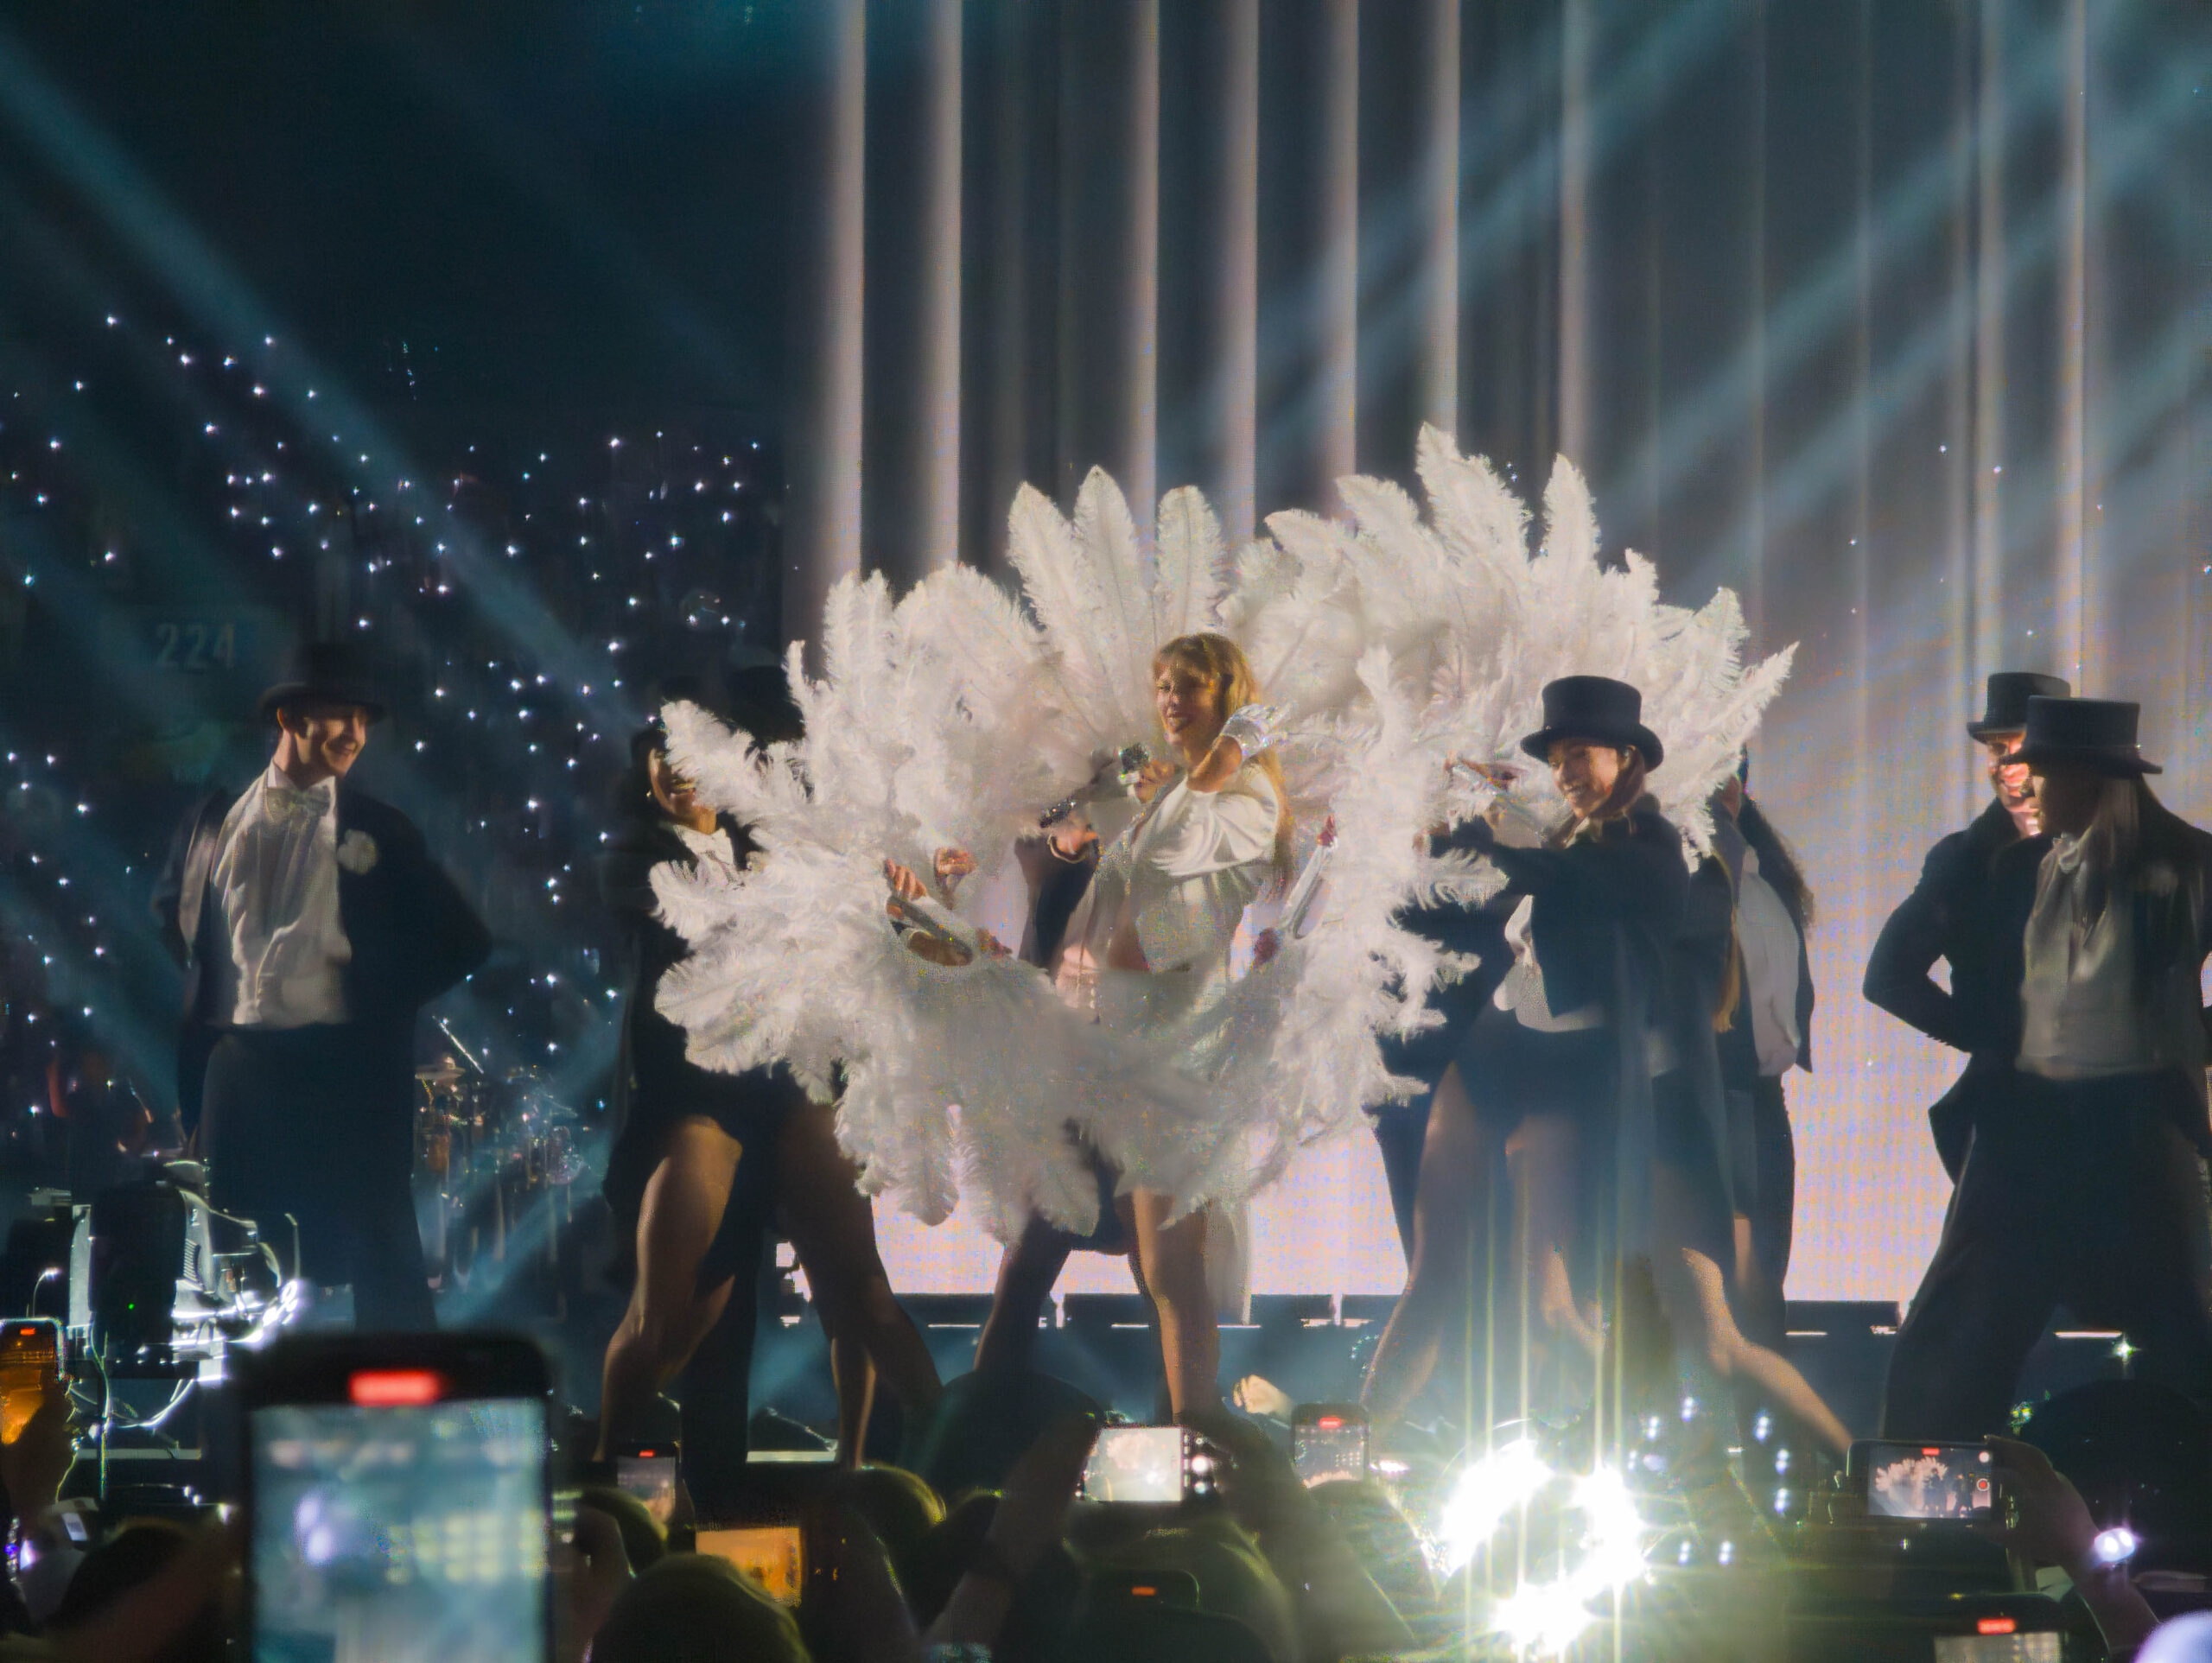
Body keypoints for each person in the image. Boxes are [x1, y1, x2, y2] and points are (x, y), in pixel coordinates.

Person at [1389, 677, 1853, 1456]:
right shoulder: (1581, 843)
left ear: (1627, 757)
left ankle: (1857, 1475)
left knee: (1712, 1340)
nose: (1565, 768)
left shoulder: (1653, 846)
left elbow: (1584, 898)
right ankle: (1625, 1454)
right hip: (1588, 1107)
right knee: (1564, 1313)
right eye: (1557, 755)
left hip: (1659, 1115)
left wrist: (1487, 847)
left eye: (1580, 753)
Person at [892, 632, 1289, 1420]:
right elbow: (1101, 889)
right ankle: (980, 1431)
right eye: (1163, 685)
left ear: (1227, 695)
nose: (1171, 699)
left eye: (1190, 686)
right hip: (1105, 1045)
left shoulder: (1243, 799)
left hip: (1171, 1048)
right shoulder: (1168, 798)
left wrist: (1228, 751)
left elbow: (1182, 868)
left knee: (1168, 1265)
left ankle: (1192, 1440)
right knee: (1044, 1249)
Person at [595, 707, 940, 1488]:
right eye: (662, 755)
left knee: (864, 1293)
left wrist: (905, 894)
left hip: (789, 1088)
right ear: (644, 768)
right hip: (699, 1099)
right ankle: (617, 1502)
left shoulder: (776, 841)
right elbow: (702, 931)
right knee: (667, 1320)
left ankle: (954, 1476)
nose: (679, 769)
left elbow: (868, 926)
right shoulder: (633, 858)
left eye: (692, 754)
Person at [1881, 696, 2212, 1439]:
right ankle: (1924, 1528)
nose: (2026, 784)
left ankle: (2191, 1532)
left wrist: (2185, 1041)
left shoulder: (2193, 864)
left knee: (2192, 1341)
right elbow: (1890, 974)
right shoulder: (2011, 868)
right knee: (1948, 1352)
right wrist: (1996, 1038)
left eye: (2044, 771)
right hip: (2023, 1134)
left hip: (2139, 1131)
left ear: (2091, 779)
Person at [152, 638, 489, 1330]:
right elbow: (182, 932)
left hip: (350, 1076)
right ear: (290, 718)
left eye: (364, 721)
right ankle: (242, 1427)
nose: (355, 735)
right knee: (243, 1284)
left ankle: (402, 1428)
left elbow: (465, 940)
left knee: (385, 1279)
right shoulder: (212, 822)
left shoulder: (381, 830)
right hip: (243, 1075)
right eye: (341, 716)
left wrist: (370, 995)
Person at [1865, 671, 2070, 1177]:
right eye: (1996, 750)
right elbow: (1887, 977)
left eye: (2021, 746)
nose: (2007, 766)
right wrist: (1991, 1039)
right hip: (2012, 1115)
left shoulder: (2113, 850)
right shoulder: (1965, 861)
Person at [1711, 760, 1816, 1353]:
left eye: (1733, 770)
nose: (1723, 784)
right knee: (1736, 1281)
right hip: (1715, 1088)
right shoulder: (1699, 866)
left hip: (1763, 1093)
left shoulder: (1762, 869)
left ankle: (1761, 1433)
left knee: (1766, 1273)